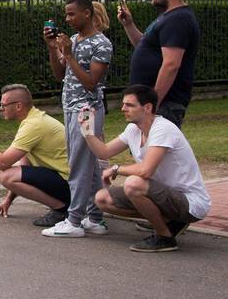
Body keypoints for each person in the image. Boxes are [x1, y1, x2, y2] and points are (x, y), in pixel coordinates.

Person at [79, 84, 210, 253]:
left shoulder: (163, 128)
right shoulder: (133, 129)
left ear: (147, 107)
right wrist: (87, 131)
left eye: (130, 105)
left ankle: (165, 237)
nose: (123, 109)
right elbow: (104, 152)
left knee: (133, 184)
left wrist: (116, 169)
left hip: (190, 202)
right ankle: (170, 221)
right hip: (164, 196)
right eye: (123, 104)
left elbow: (145, 171)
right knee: (102, 198)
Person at [41, 0, 114, 238]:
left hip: (86, 110)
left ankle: (73, 221)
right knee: (91, 166)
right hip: (72, 108)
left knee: (79, 165)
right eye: (66, 14)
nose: (67, 19)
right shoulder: (73, 40)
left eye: (72, 14)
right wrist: (54, 49)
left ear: (87, 13)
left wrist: (70, 55)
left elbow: (92, 84)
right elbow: (60, 75)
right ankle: (95, 218)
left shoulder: (101, 44)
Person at [0, 84, 72, 226]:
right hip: (70, 181)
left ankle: (61, 210)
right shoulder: (33, 120)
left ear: (18, 106)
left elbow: (3, 163)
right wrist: (8, 199)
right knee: (17, 167)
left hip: (71, 184)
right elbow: (23, 164)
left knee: (7, 175)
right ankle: (62, 206)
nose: (0, 108)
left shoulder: (33, 125)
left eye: (3, 105)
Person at [118, 0, 200, 126]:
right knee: (143, 149)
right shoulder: (167, 16)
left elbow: (171, 65)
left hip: (164, 104)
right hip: (151, 103)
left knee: (155, 148)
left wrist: (153, 103)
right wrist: (128, 25)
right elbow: (145, 46)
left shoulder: (178, 19)